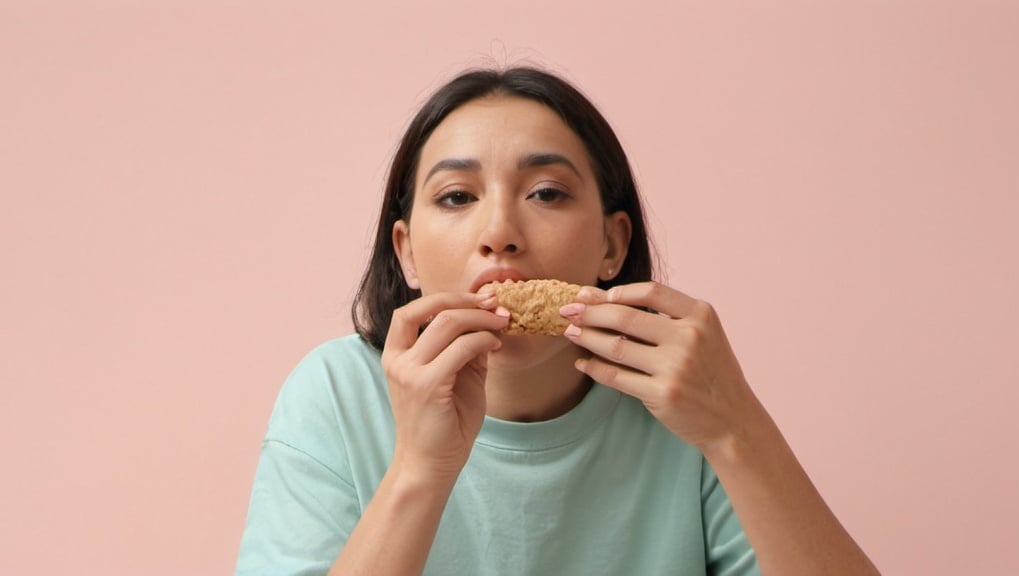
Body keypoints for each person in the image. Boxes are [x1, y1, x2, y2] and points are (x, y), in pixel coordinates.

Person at [236, 66, 879, 576]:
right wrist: (418, 471)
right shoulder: (336, 396)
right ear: (406, 252)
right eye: (457, 197)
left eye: (546, 192)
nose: (499, 234)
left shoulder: (684, 406)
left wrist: (738, 428)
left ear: (611, 245)